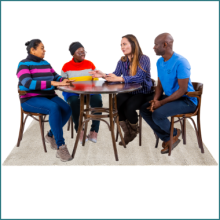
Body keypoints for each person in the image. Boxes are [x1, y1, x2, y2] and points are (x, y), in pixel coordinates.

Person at [89, 34, 154, 145]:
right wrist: (104, 75)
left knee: (129, 107)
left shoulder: (144, 59)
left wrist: (118, 78)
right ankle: (127, 132)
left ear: (133, 44)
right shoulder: (122, 61)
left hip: (143, 92)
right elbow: (115, 76)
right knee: (115, 104)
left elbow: (139, 78)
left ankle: (133, 131)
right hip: (128, 92)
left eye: (124, 44)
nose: (122, 47)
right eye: (121, 45)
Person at [16, 38, 75, 162]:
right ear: (33, 50)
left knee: (67, 109)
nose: (45, 50)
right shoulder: (22, 65)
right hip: (30, 99)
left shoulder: (46, 62)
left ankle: (50, 135)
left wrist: (63, 81)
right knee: (54, 107)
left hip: (49, 96)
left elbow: (56, 76)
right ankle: (61, 146)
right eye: (42, 48)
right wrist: (52, 82)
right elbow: (27, 83)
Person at [140, 32, 198, 154]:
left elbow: (182, 90)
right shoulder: (159, 62)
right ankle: (168, 137)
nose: (153, 47)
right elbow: (160, 85)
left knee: (157, 114)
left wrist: (160, 103)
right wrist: (156, 99)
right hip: (173, 98)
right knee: (145, 109)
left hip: (187, 100)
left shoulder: (181, 62)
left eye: (156, 44)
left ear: (165, 45)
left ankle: (175, 133)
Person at [60, 41, 103, 144]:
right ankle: (80, 131)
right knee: (74, 103)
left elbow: (96, 79)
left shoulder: (90, 63)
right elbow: (62, 81)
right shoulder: (66, 66)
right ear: (73, 54)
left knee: (98, 101)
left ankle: (94, 131)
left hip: (89, 92)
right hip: (73, 93)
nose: (83, 54)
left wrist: (97, 76)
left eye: (84, 51)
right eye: (80, 52)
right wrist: (65, 82)